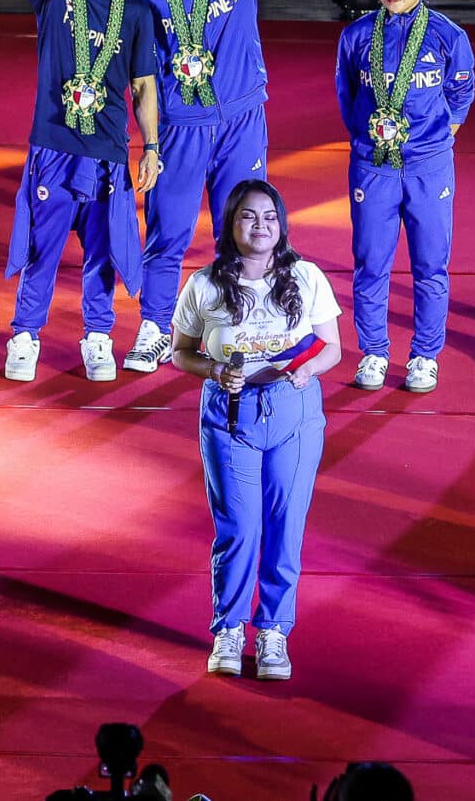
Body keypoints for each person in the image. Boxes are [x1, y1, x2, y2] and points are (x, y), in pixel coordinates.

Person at [119, 0, 407, 374]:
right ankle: (157, 327)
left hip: (241, 120)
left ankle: (247, 321)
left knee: (249, 227)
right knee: (169, 231)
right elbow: (131, 66)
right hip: (183, 125)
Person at [0, 0, 160, 381]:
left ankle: (98, 337)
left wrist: (152, 147)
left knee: (103, 252)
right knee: (42, 247)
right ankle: (25, 335)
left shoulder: (136, 12)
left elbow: (142, 86)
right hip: (53, 146)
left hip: (107, 154)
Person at [171, 178, 342, 682]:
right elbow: (181, 353)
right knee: (239, 529)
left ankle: (272, 631)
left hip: (294, 413)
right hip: (230, 416)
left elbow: (331, 348)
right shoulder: (203, 284)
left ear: (282, 225)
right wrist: (213, 372)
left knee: (286, 527)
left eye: (269, 216)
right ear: (231, 224)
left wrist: (307, 371)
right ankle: (229, 627)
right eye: (248, 216)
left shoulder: (306, 277)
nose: (260, 225)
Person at [332, 0, 473, 393]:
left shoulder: (449, 36)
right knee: (371, 263)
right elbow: (346, 94)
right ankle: (373, 352)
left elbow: (461, 92)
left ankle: (425, 356)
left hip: (429, 168)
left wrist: (436, 138)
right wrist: (366, 139)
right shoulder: (355, 37)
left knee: (431, 265)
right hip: (373, 167)